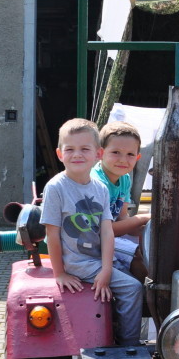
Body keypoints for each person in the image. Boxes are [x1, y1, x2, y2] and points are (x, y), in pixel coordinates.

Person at [41, 118, 144, 346]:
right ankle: (129, 345)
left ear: (97, 153)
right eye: (70, 149)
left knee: (139, 268)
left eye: (84, 149)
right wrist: (60, 273)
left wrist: (106, 269)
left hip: (97, 260)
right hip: (78, 262)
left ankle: (114, 329)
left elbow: (107, 232)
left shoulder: (100, 189)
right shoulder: (56, 188)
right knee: (133, 289)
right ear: (59, 154)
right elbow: (52, 235)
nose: (77, 155)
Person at [92, 121, 150, 273]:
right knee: (136, 254)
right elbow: (103, 231)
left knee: (153, 245)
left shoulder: (124, 179)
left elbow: (122, 217)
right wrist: (142, 218)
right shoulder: (97, 184)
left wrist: (145, 228)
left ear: (137, 157)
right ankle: (147, 288)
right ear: (100, 153)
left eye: (130, 154)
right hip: (91, 241)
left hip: (108, 234)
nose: (123, 160)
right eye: (116, 152)